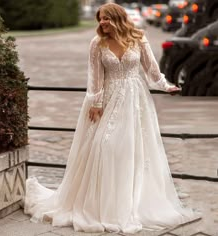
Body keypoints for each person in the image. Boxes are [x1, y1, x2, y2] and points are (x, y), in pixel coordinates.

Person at [24, 3, 200, 233]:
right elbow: (95, 76)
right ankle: (101, 206)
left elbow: (151, 70)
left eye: (106, 18)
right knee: (104, 146)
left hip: (135, 101)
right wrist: (96, 103)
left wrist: (166, 86)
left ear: (118, 18)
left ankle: (128, 205)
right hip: (107, 100)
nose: (102, 23)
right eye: (100, 19)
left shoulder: (138, 38)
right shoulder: (97, 43)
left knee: (131, 150)